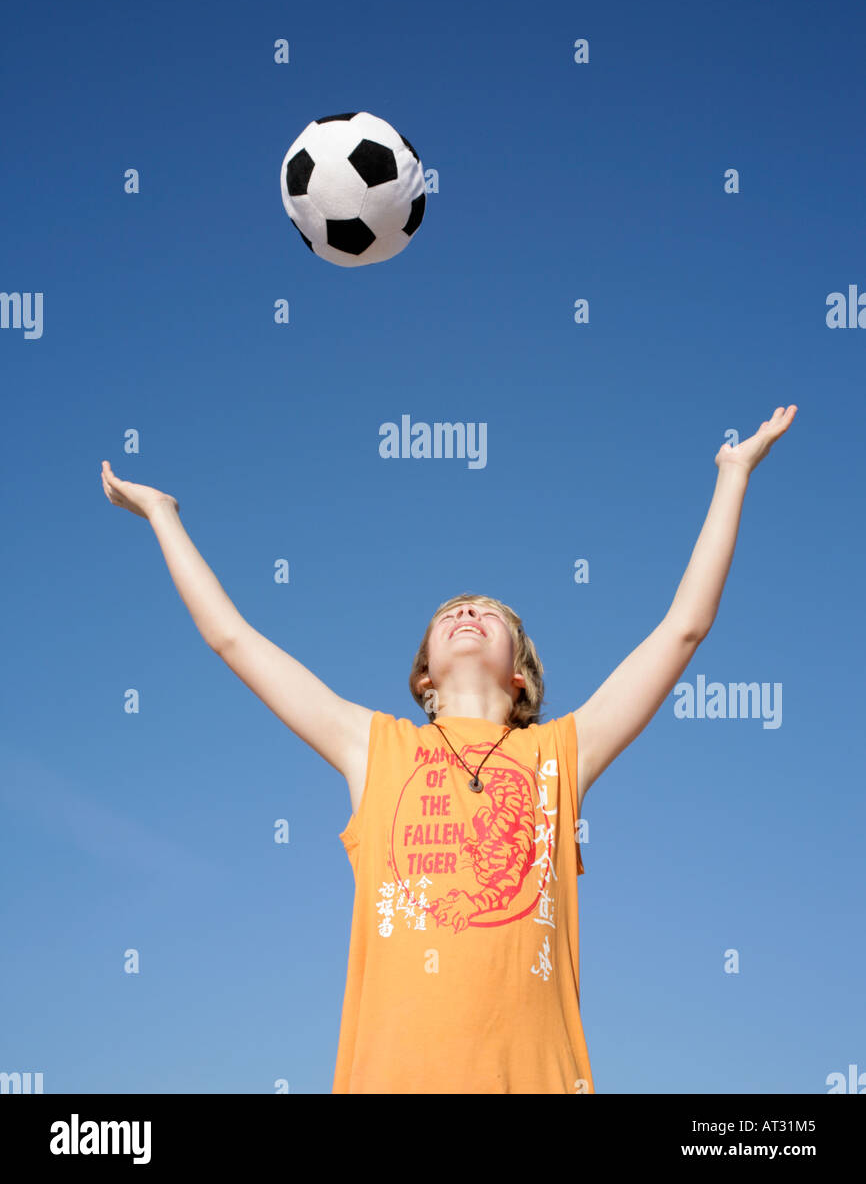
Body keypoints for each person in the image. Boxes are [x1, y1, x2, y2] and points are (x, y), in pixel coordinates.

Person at [100, 403, 797, 1094]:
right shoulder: (373, 747)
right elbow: (234, 639)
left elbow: (683, 629)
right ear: (423, 675)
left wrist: (733, 474)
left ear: (521, 674)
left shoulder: (561, 755)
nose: (467, 612)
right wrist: (164, 516)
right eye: (450, 613)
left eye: (488, 613)